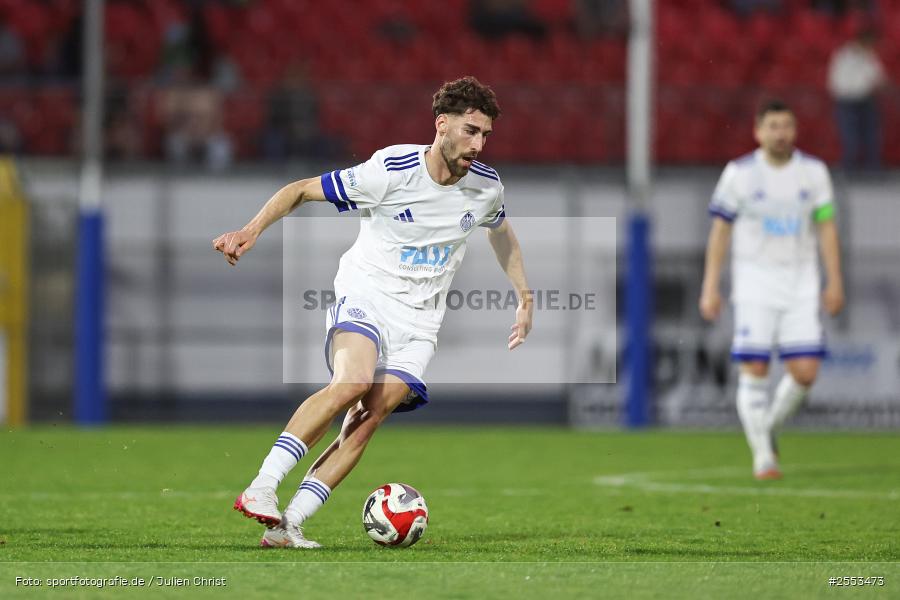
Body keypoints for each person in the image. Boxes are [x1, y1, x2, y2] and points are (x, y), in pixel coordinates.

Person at [213, 76, 532, 548]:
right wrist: (250, 230)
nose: (478, 145)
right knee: (352, 384)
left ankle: (288, 525)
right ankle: (262, 485)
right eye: (470, 131)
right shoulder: (390, 170)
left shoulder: (486, 187)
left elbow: (500, 232)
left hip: (419, 322)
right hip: (366, 295)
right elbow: (300, 190)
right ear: (441, 125)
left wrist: (524, 297)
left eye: (485, 135)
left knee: (368, 417)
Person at [699, 100, 845, 480]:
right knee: (755, 367)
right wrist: (710, 285)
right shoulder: (739, 174)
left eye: (787, 126)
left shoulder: (813, 173)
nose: (781, 134)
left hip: (801, 283)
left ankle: (767, 427)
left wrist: (834, 279)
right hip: (754, 283)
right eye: (773, 126)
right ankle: (764, 457)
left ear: (795, 131)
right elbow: (720, 231)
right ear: (758, 131)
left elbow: (826, 225)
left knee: (806, 372)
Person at [827, 27, 886, 171]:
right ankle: (850, 169)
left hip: (866, 100)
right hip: (847, 101)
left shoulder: (870, 56)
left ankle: (872, 169)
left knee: (871, 136)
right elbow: (835, 81)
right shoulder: (843, 55)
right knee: (850, 137)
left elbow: (878, 77)